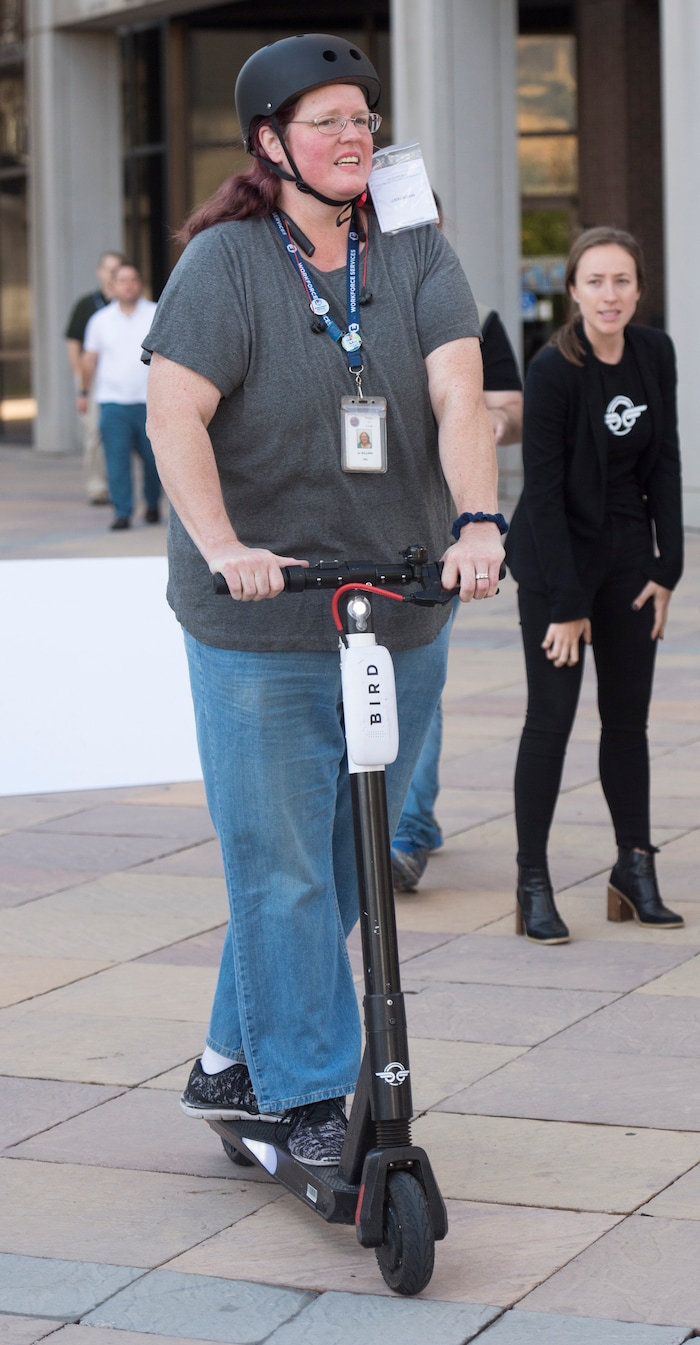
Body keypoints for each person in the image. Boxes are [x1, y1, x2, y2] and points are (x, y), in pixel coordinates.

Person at [143, 32, 505, 1166]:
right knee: (280, 860)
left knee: (342, 862)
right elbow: (172, 416)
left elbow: (457, 397)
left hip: (397, 602)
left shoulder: (413, 248)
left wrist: (479, 521)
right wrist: (222, 543)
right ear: (271, 144)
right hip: (259, 614)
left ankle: (223, 1063)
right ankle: (303, 1100)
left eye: (365, 118)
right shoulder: (227, 263)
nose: (355, 137)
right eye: (327, 122)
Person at [505, 226, 684, 945]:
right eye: (596, 281)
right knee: (550, 723)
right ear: (572, 290)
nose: (610, 295)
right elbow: (542, 494)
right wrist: (568, 605)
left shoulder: (654, 352)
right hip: (556, 565)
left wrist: (667, 566)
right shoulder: (553, 370)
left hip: (626, 559)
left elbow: (665, 459)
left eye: (623, 281)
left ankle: (633, 870)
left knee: (629, 721)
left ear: (639, 290)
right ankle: (532, 881)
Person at [391, 302, 523, 890]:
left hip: (434, 531)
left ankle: (408, 830)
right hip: (349, 528)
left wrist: (485, 424)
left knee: (421, 682)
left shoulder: (475, 317)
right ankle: (394, 820)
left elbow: (511, 412)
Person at [81, 263, 161, 531]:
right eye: (122, 281)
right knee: (116, 460)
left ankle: (152, 504)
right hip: (113, 403)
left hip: (151, 402)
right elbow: (90, 359)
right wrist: (83, 392)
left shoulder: (155, 313)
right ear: (113, 286)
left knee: (154, 460)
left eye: (133, 280)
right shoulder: (100, 320)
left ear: (140, 283)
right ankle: (122, 512)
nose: (128, 285)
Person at [64, 250, 124, 504]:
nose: (112, 275)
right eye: (108, 269)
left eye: (117, 269)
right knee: (94, 434)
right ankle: (97, 487)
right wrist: (81, 378)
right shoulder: (87, 305)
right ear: (100, 272)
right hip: (94, 378)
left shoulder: (131, 303)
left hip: (124, 378)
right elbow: (73, 344)